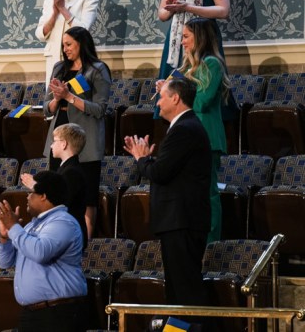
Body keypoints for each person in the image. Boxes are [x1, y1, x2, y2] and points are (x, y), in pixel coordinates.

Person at [123, 77, 211, 314]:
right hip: (180, 221)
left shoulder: (184, 129)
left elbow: (160, 173)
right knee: (178, 290)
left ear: (175, 98)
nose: (158, 103)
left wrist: (142, 159)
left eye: (161, 96)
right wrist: (148, 160)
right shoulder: (185, 127)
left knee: (185, 292)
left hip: (182, 221)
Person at [160, 17, 229, 243]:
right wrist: (168, 92)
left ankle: (211, 244)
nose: (182, 42)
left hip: (207, 137)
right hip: (187, 137)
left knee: (209, 194)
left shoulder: (212, 64)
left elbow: (202, 101)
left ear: (199, 38)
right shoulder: (187, 67)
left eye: (186, 37)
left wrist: (178, 95)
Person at [0, 170, 88, 332]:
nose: (27, 197)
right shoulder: (31, 226)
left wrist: (14, 227)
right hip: (32, 314)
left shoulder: (63, 222)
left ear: (43, 196)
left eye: (31, 193)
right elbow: (4, 262)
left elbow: (40, 252)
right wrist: (5, 237)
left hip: (57, 314)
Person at [42, 27, 111, 198]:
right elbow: (46, 108)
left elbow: (100, 109)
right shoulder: (59, 68)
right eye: (63, 45)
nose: (65, 49)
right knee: (57, 192)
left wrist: (69, 96)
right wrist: (58, 98)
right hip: (60, 130)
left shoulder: (97, 69)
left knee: (86, 196)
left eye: (69, 44)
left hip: (85, 135)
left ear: (81, 44)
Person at [35, 0, 100, 86]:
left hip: (78, 62)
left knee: (76, 99)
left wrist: (63, 9)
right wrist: (54, 13)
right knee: (53, 101)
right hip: (54, 62)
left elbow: (83, 31)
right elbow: (40, 34)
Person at [23, 122, 94, 245]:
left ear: (64, 144)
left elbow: (60, 200)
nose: (51, 146)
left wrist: (35, 186)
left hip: (69, 234)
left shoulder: (72, 171)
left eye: (54, 141)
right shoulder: (66, 169)